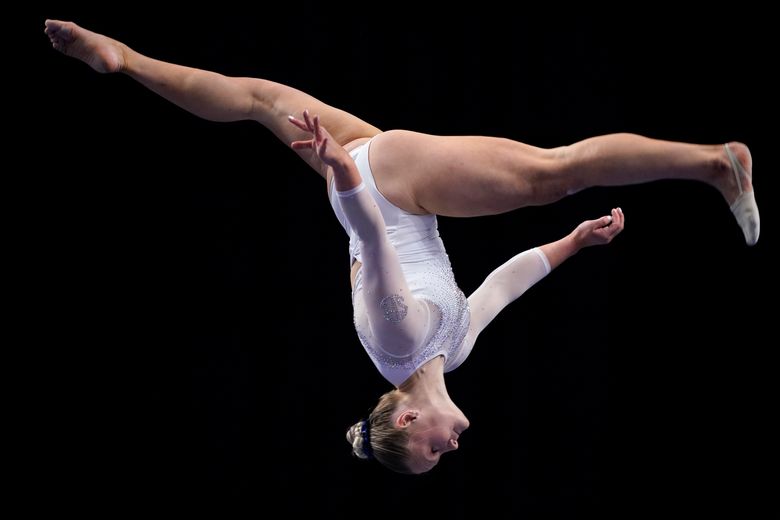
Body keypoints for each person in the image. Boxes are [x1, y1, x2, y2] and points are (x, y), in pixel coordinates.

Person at [45, 19, 759, 474]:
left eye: (429, 453)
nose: (448, 452)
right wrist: (574, 244)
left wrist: (342, 174)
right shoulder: (450, 351)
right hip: (376, 177)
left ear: (407, 418)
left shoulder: (395, 336)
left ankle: (713, 163)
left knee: (554, 173)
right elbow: (502, 287)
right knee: (260, 102)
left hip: (382, 188)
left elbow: (369, 242)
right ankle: (126, 59)